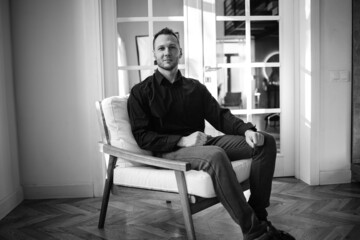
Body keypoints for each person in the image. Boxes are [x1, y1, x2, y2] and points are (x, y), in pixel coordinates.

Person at [127, 27, 295, 240]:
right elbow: (142, 137)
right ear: (154, 54)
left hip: (203, 143)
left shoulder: (194, 88)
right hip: (170, 151)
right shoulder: (140, 92)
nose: (166, 52)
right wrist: (181, 140)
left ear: (180, 52)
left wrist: (247, 130)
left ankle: (259, 218)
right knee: (215, 154)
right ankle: (254, 232)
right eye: (161, 48)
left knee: (265, 142)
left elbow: (221, 116)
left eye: (172, 47)